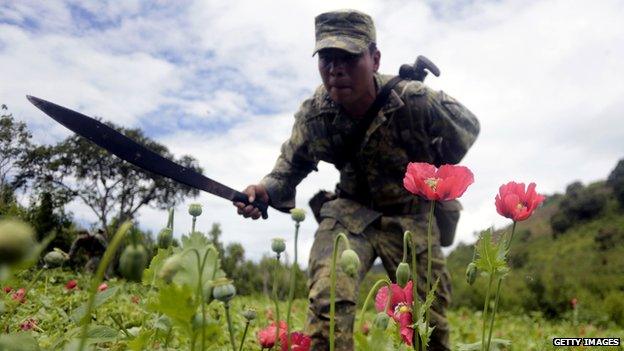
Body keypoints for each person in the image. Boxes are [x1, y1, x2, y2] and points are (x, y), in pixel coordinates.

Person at [234, 9, 479, 350]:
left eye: (348, 58)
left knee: (429, 322)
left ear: (375, 59)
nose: (336, 69)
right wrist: (263, 191)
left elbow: (466, 129)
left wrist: (431, 163)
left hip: (412, 214)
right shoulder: (316, 115)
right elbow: (288, 169)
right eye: (327, 59)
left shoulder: (415, 100)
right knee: (327, 301)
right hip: (351, 212)